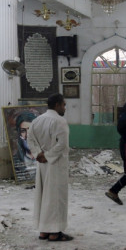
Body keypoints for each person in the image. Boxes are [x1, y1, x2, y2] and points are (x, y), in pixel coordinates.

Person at [29, 93, 72, 241]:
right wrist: (47, 156)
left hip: (42, 163)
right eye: (64, 105)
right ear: (57, 105)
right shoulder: (60, 121)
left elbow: (30, 140)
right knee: (55, 197)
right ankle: (54, 232)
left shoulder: (36, 121)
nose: (65, 108)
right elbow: (62, 144)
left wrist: (38, 154)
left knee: (43, 196)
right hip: (56, 164)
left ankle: (43, 231)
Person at [13, 111, 38, 179]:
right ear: (19, 133)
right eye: (23, 131)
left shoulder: (46, 156)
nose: (27, 135)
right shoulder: (15, 160)